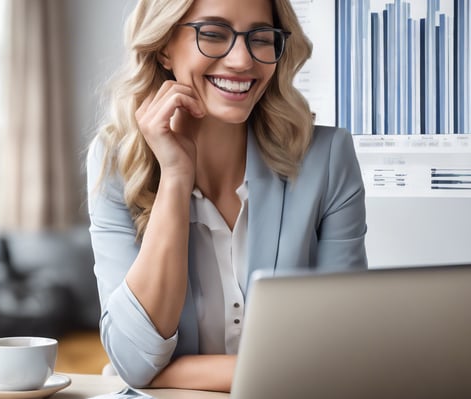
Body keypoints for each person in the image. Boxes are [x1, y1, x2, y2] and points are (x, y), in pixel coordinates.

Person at [87, 0, 367, 392]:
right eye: (213, 34)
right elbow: (133, 359)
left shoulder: (328, 159)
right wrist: (175, 176)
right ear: (164, 46)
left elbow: (344, 353)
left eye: (261, 37)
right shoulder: (118, 162)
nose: (241, 60)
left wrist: (162, 372)